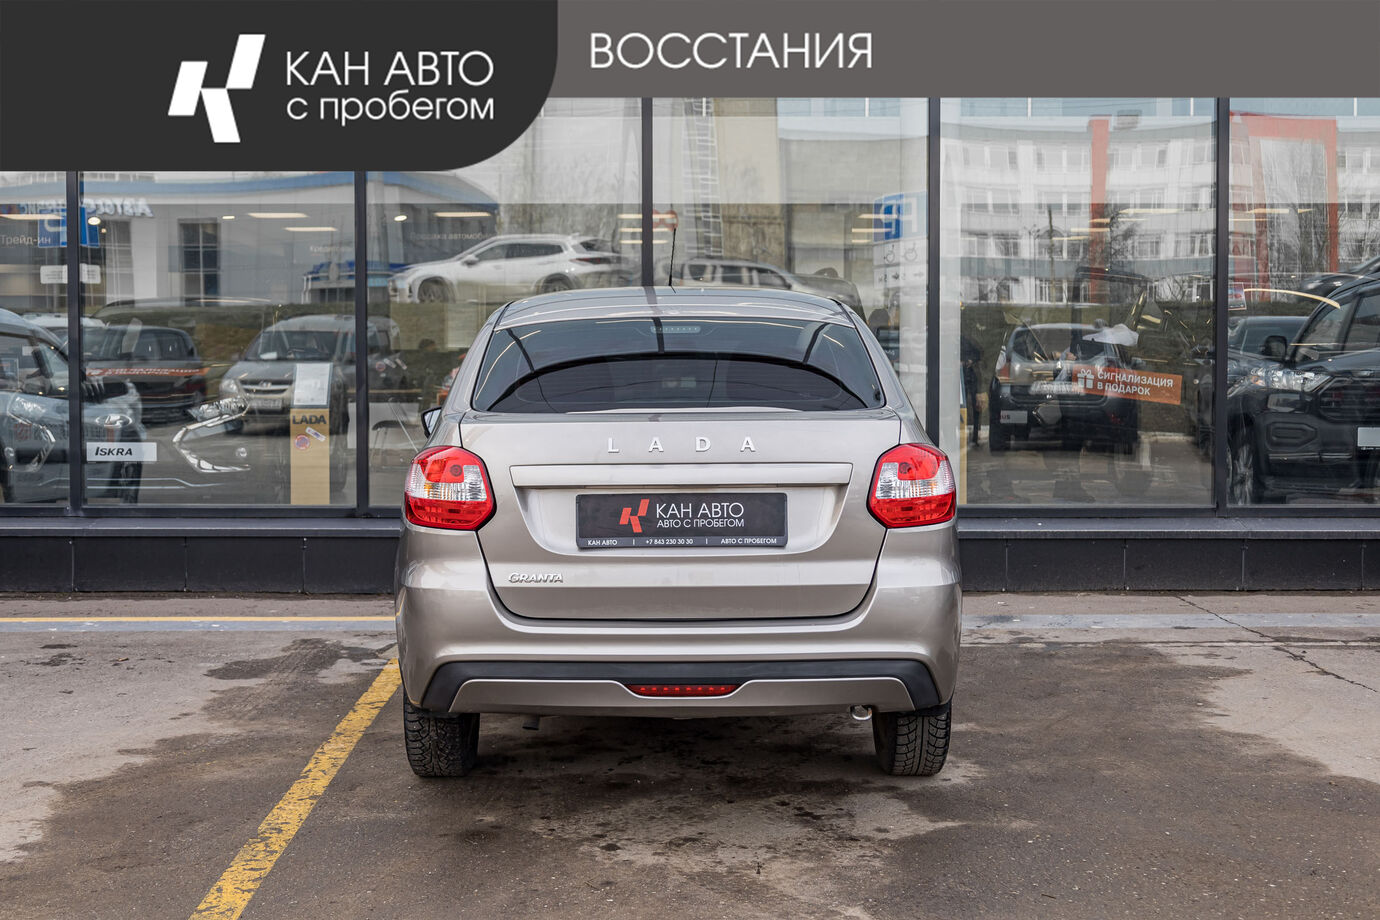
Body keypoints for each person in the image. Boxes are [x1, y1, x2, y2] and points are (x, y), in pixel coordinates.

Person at [960, 334, 983, 445]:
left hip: (970, 377)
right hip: (961, 378)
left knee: (975, 406)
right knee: (962, 407)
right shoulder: (957, 340)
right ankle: (968, 436)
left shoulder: (966, 340)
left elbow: (978, 353)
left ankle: (975, 435)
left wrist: (970, 361)